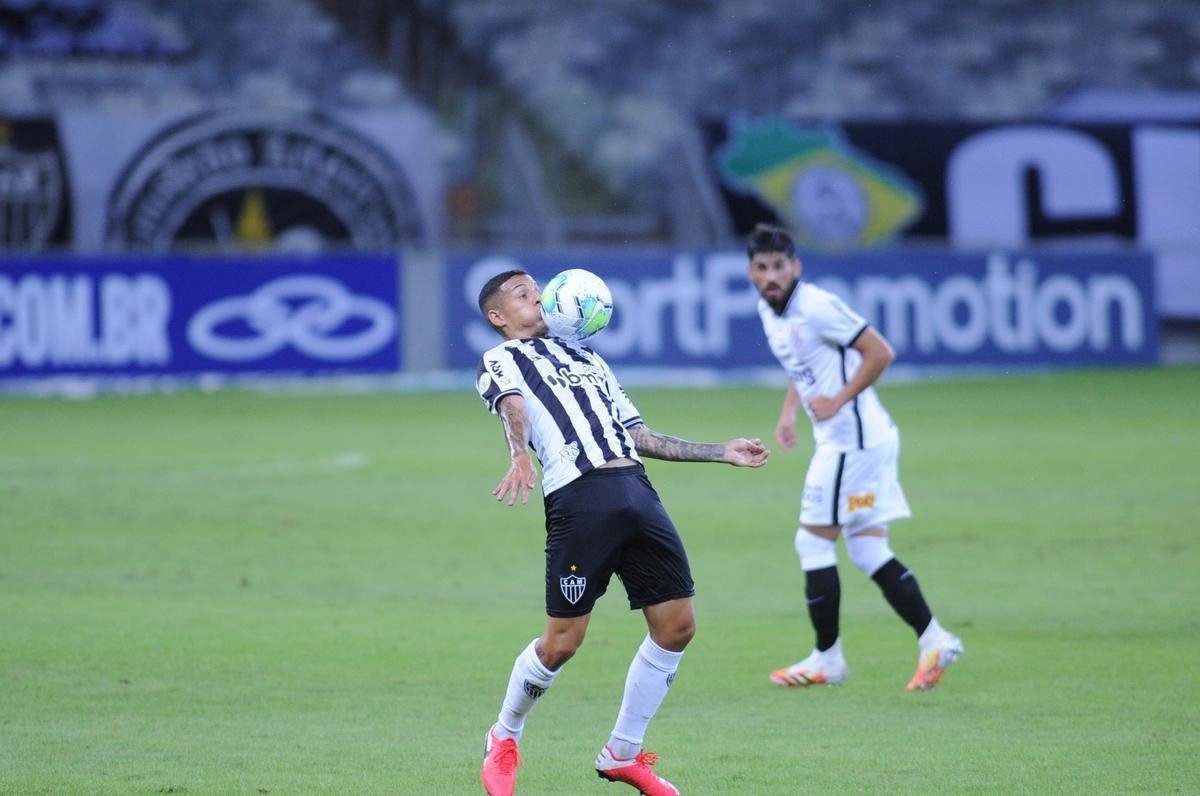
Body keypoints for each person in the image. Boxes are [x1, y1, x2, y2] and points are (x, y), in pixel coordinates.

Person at [474, 270, 769, 796]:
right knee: (563, 642)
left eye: (538, 289)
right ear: (497, 317)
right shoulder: (503, 360)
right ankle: (504, 736)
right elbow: (512, 406)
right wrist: (518, 454)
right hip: (579, 499)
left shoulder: (589, 359)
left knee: (677, 626)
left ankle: (622, 754)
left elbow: (639, 434)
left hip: (637, 492)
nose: (537, 296)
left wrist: (719, 451)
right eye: (523, 294)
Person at [745, 223, 963, 692]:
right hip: (854, 440)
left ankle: (828, 659)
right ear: (751, 272)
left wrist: (838, 400)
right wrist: (790, 413)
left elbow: (880, 352)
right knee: (866, 548)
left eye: (779, 266)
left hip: (853, 441)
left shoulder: (817, 306)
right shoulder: (770, 311)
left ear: (796, 266)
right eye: (762, 268)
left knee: (812, 543)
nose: (771, 276)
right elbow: (799, 366)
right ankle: (935, 639)